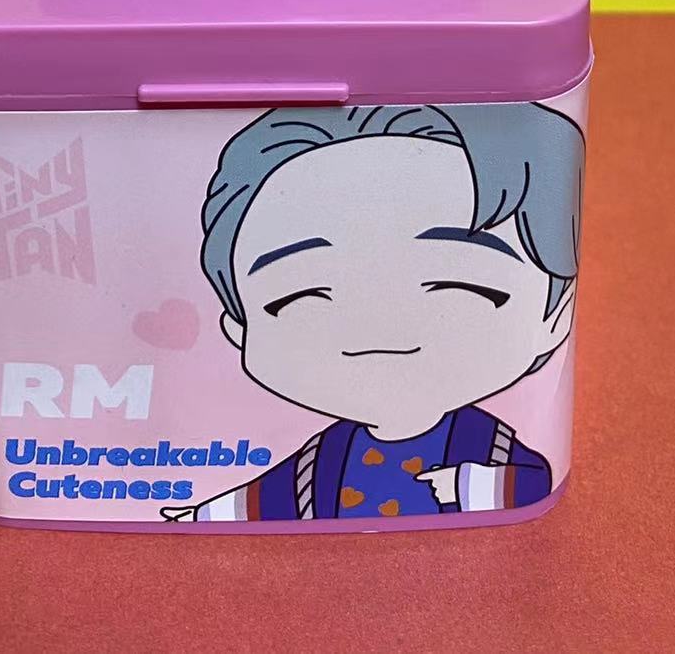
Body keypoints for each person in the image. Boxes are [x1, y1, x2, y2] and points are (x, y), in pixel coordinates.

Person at [162, 101, 585, 522]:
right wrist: (201, 514)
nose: (377, 323)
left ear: (555, 317)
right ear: (240, 327)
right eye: (304, 294)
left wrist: (468, 484)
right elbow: (270, 497)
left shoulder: (488, 444)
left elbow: (533, 481)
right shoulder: (323, 457)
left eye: (454, 285)